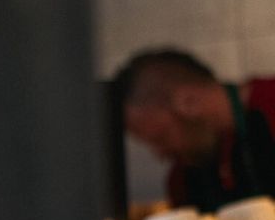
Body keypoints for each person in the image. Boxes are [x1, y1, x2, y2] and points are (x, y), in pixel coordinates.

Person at [115, 47, 275, 211]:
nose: (160, 155)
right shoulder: (181, 181)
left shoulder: (270, 104)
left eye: (161, 138)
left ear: (189, 102)